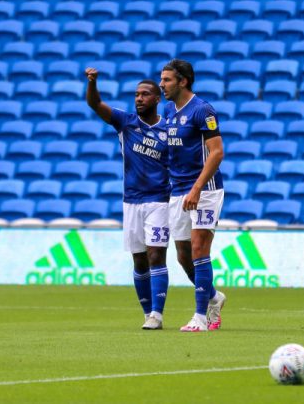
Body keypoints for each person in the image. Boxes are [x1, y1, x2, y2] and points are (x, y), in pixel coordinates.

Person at [85, 68, 171, 330]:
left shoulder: (168, 130)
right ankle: (147, 313)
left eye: (145, 94)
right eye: (136, 95)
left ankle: (157, 314)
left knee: (156, 255)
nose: (139, 98)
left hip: (159, 200)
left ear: (157, 99)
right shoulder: (125, 122)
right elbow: (95, 104)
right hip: (131, 200)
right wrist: (92, 83)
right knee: (139, 259)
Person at [160, 59, 227, 333]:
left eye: (167, 80)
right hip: (178, 190)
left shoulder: (202, 110)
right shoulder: (168, 110)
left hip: (205, 189)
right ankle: (214, 296)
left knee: (199, 249)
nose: (162, 85)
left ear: (183, 81)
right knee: (183, 256)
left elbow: (217, 152)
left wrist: (197, 189)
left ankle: (200, 317)